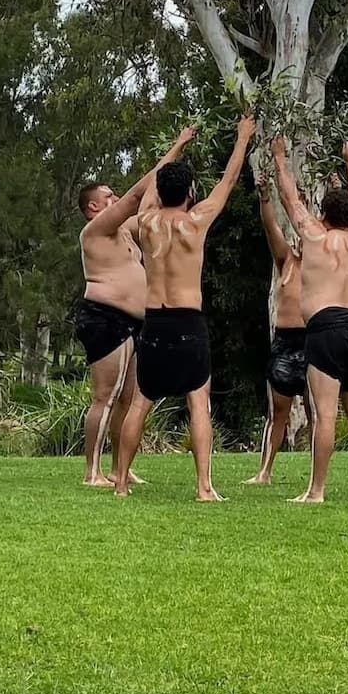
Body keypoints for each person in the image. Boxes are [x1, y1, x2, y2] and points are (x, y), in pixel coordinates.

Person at [114, 114, 257, 501]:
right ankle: (203, 487)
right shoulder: (196, 222)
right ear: (191, 191)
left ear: (160, 192)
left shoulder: (145, 221)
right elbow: (228, 182)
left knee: (141, 402)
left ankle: (122, 483)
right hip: (188, 321)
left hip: (155, 322)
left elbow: (152, 181)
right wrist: (243, 137)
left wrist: (178, 143)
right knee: (199, 401)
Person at [75, 127, 196, 486]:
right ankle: (91, 472)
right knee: (105, 396)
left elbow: (151, 199)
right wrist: (176, 144)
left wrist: (176, 159)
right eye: (107, 196)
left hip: (131, 323)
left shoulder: (125, 232)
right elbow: (137, 194)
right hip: (103, 318)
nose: (115, 199)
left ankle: (119, 469)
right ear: (94, 207)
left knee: (127, 398)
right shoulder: (95, 231)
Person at [271, 136, 348, 503]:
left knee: (325, 413)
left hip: (327, 327)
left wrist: (281, 159)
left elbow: (290, 200)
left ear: (325, 215)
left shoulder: (315, 236)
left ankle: (316, 490)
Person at [243, 172, 309, 486]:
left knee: (317, 411)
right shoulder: (286, 260)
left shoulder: (321, 260)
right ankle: (264, 471)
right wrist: (265, 198)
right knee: (278, 412)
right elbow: (271, 229)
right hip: (284, 341)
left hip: (311, 341)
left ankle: (315, 475)